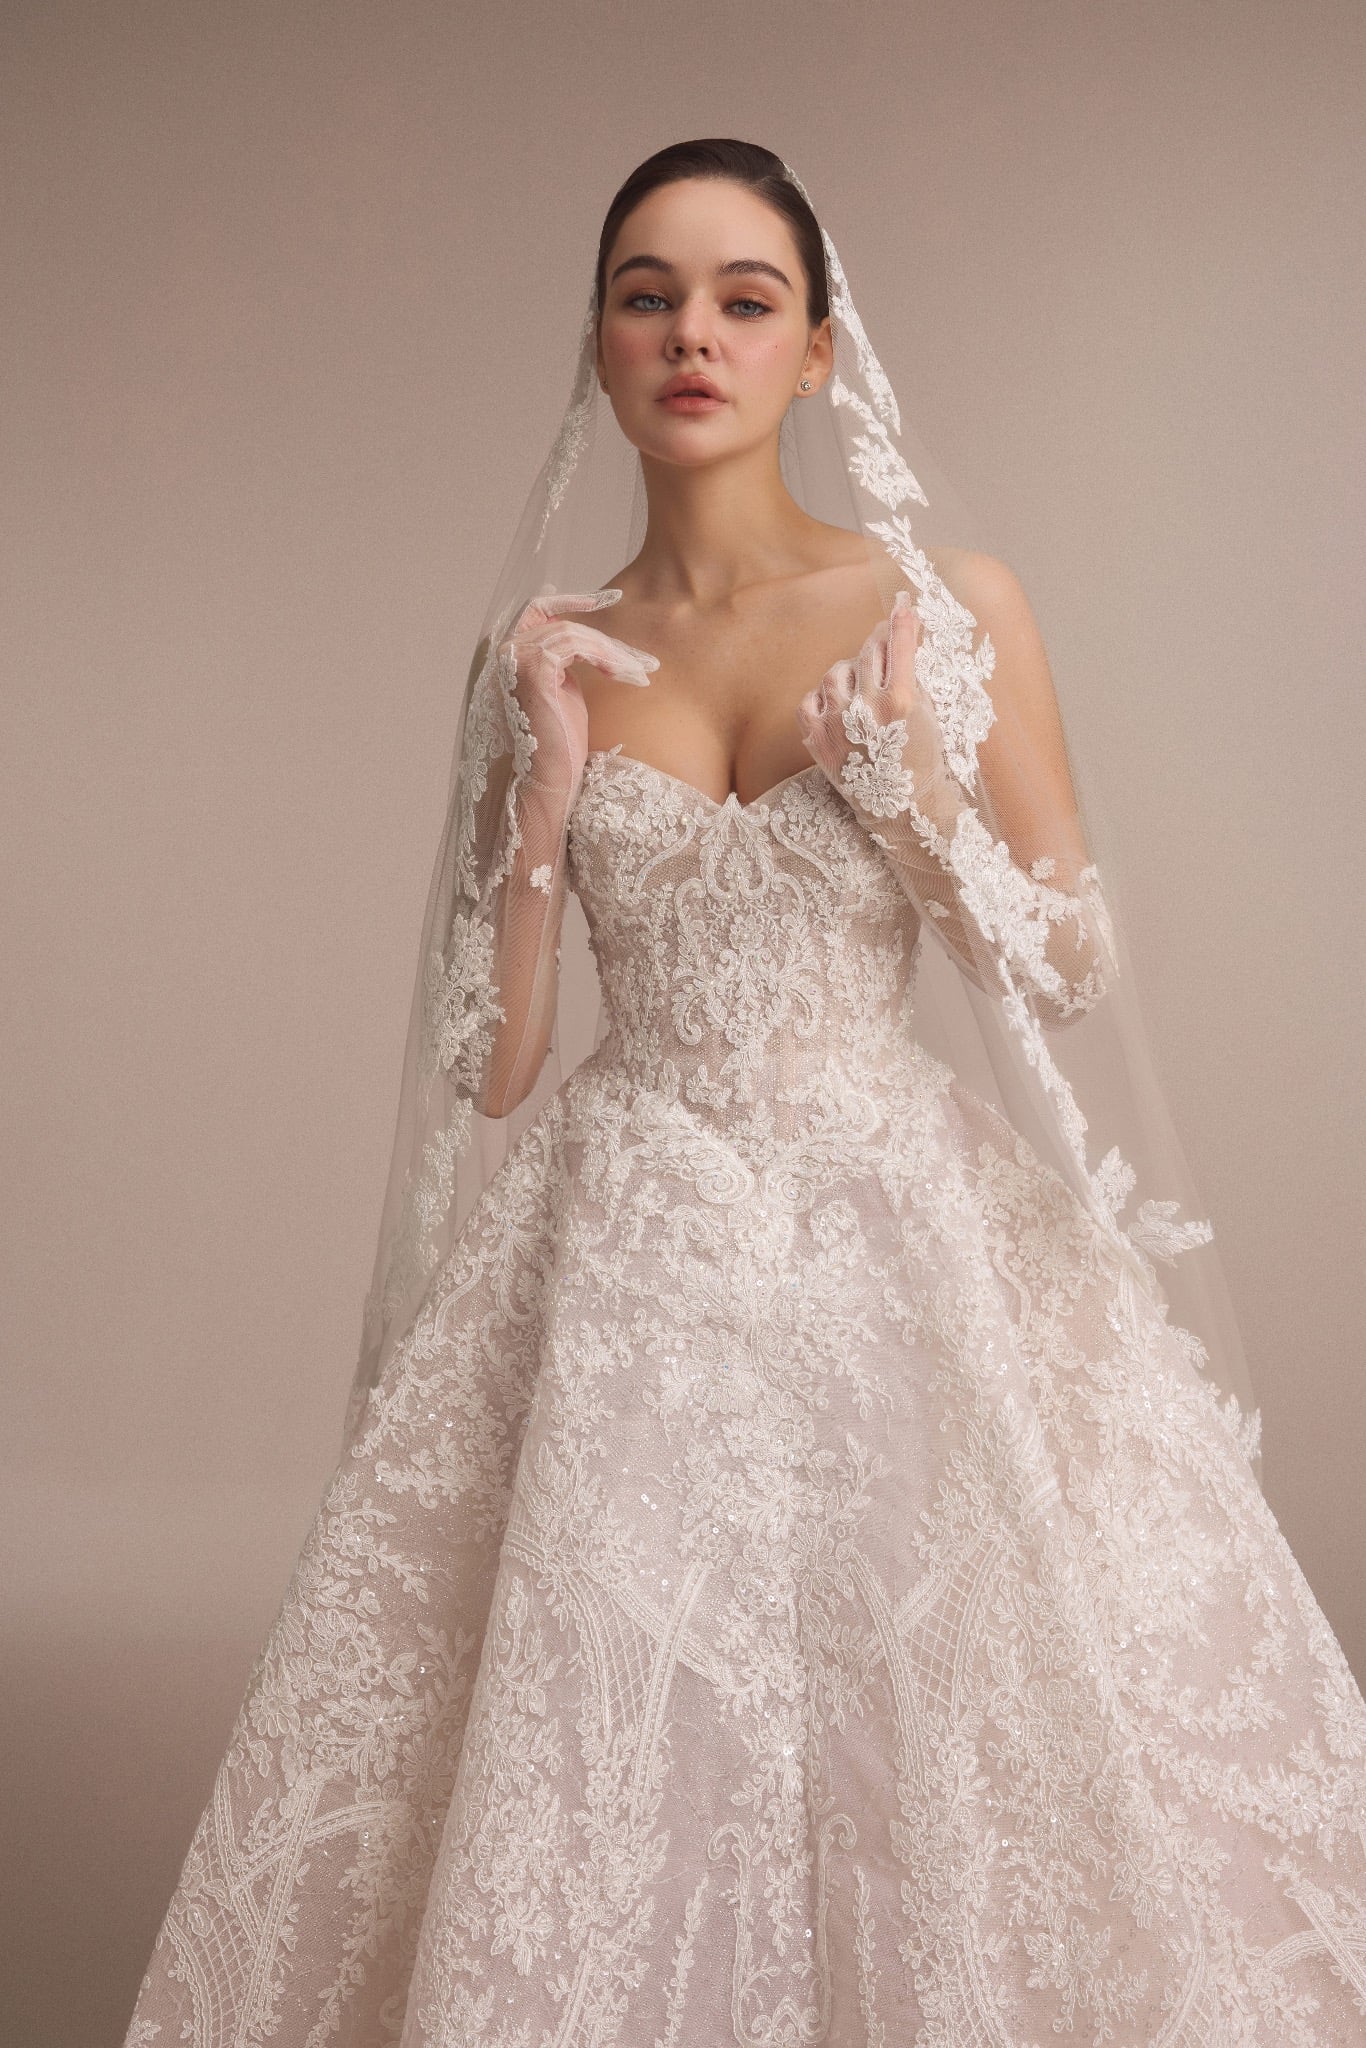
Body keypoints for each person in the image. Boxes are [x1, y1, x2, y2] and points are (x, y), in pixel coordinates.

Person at [122, 139, 1366, 2048]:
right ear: (600, 348)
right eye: (648, 297)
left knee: (953, 1700)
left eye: (741, 298)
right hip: (627, 1237)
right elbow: (500, 1065)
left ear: (818, 351)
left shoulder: (942, 603)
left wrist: (914, 807)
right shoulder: (538, 655)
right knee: (614, 1712)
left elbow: (1067, 965)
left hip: (894, 1222)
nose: (690, 334)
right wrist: (545, 802)